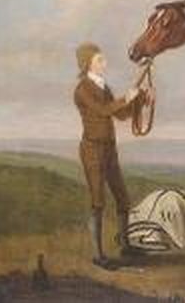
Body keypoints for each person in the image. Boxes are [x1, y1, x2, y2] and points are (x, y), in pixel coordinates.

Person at [73, 42, 142, 270]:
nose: (105, 63)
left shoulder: (104, 87)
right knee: (98, 202)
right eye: (99, 60)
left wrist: (138, 102)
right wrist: (126, 98)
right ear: (88, 63)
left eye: (103, 59)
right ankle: (98, 255)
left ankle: (125, 244)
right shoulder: (82, 89)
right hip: (92, 150)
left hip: (109, 149)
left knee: (122, 197)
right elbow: (103, 111)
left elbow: (120, 115)